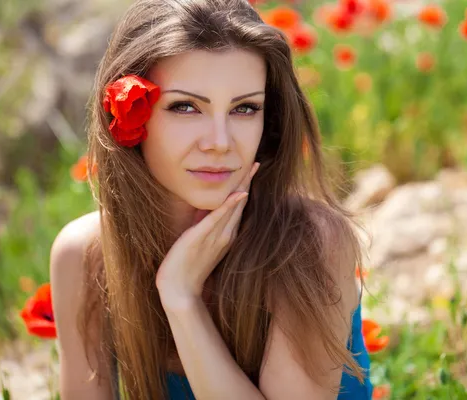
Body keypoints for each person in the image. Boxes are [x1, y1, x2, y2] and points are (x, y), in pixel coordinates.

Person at [49, 0, 373, 399]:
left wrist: (182, 299)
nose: (220, 142)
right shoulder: (85, 256)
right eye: (186, 107)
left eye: (245, 108)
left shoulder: (309, 243)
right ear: (131, 117)